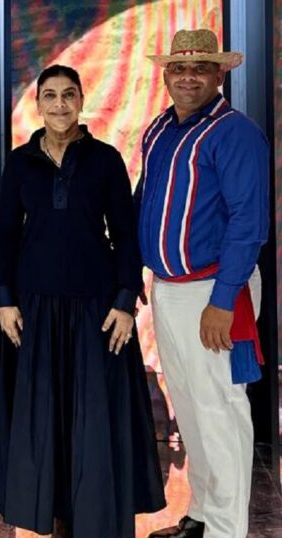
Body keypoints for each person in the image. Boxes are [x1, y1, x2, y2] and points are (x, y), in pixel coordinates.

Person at [0, 65, 166, 538]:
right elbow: (5, 235)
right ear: (38, 103)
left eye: (68, 94)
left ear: (81, 100)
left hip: (97, 309)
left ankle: (95, 515)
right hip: (35, 308)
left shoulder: (105, 160)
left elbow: (126, 236)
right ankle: (54, 513)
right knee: (46, 417)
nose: (59, 104)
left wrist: (125, 302)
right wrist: (5, 299)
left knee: (94, 416)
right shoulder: (19, 163)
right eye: (49, 95)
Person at [137, 29, 269, 538]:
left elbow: (248, 222)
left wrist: (222, 301)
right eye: (178, 68)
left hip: (214, 290)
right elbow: (147, 198)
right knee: (191, 408)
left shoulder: (235, 133)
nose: (187, 77)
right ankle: (202, 514)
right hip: (168, 289)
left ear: (219, 75)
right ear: (166, 74)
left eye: (200, 68)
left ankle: (227, 529)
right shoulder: (159, 129)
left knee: (220, 411)